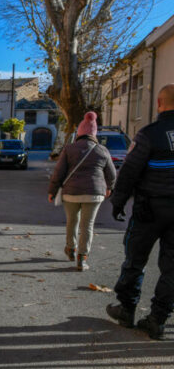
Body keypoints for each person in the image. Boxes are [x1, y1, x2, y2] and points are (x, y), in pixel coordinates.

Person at [106, 84, 174, 340]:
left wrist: (118, 202)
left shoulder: (150, 134)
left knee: (135, 259)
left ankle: (127, 308)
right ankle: (158, 318)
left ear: (159, 103)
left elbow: (129, 171)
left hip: (150, 209)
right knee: (172, 268)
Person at [48, 112, 116, 271]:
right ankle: (82, 258)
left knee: (72, 221)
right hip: (94, 193)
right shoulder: (102, 150)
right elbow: (111, 174)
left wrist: (52, 190)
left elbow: (59, 172)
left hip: (71, 193)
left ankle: (70, 249)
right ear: (94, 133)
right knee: (88, 225)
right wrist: (109, 187)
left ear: (79, 132)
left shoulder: (69, 149)